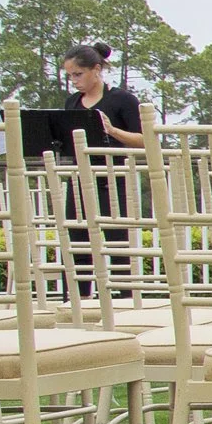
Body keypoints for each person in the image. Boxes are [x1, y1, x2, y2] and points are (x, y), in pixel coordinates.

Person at [55, 42, 141, 296]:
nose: (74, 81)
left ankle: (124, 298)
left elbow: (145, 139)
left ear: (96, 69)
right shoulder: (72, 102)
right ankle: (79, 297)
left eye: (78, 74)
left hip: (112, 178)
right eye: (70, 76)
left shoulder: (122, 100)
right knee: (78, 240)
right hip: (79, 178)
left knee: (117, 241)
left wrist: (112, 131)